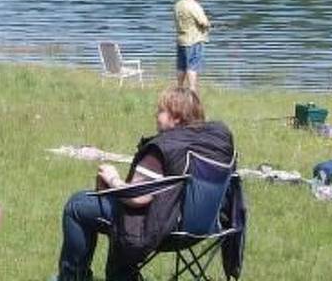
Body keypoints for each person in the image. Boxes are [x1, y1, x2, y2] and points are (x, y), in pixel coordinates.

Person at [52, 86, 234, 281]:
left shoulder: (164, 148)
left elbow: (137, 198)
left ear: (177, 118)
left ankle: (71, 277)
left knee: (77, 205)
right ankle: (121, 275)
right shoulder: (214, 142)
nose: (156, 115)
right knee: (121, 216)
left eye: (161, 111)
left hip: (163, 229)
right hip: (203, 227)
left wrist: (112, 178)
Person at [173, 0, 212, 90]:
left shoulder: (178, 5)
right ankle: (192, 90)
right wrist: (209, 24)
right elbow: (203, 22)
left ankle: (179, 88)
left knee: (181, 67)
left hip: (181, 40)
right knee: (192, 67)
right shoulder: (194, 5)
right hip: (193, 40)